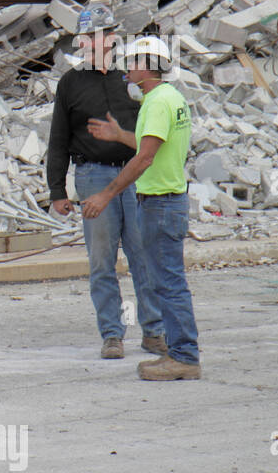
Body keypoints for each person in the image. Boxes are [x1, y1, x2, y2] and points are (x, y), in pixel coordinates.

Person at [46, 5, 165, 360]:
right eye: (84, 38)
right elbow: (58, 140)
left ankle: (154, 332)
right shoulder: (71, 83)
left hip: (135, 174)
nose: (87, 43)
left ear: (110, 38)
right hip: (92, 176)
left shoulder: (130, 78)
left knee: (143, 256)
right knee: (102, 261)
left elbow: (152, 131)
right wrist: (57, 191)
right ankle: (112, 334)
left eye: (95, 36)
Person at [83, 35, 201, 380]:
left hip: (160, 204)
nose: (127, 68)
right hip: (168, 201)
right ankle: (181, 353)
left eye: (133, 62)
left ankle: (184, 357)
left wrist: (106, 195)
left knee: (168, 283)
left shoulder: (155, 102)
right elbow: (150, 143)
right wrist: (120, 135)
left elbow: (145, 157)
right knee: (166, 281)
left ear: (148, 67)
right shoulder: (170, 97)